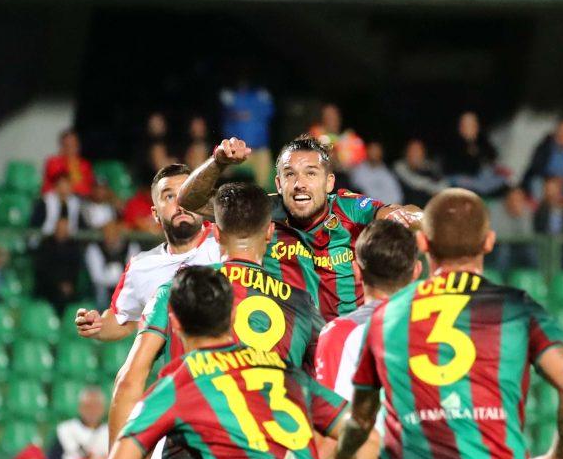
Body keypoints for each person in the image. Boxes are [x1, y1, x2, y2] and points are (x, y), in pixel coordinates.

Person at [325, 188, 563, 459]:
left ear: (423, 244)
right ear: (489, 242)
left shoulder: (386, 319)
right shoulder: (516, 308)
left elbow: (361, 426)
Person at [114, 182, 327, 459]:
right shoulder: (302, 306)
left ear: (215, 233)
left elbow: (130, 379)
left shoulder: (178, 290)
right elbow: (321, 390)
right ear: (270, 232)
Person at [72, 266, 353, 459]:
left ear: (175, 324)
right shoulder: (285, 373)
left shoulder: (178, 385)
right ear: (232, 316)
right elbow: (361, 433)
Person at [178, 135, 421, 321]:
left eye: (310, 174)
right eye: (290, 174)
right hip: (289, 347)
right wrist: (218, 161)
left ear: (329, 183)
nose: (299, 184)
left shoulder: (351, 209)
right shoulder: (262, 210)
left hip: (349, 340)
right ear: (278, 183)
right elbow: (190, 201)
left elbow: (402, 213)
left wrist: (403, 216)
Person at [315, 220, 421, 459]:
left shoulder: (339, 334)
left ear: (356, 270)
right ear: (416, 272)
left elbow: (331, 427)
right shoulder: (441, 332)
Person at [74, 164, 221, 343]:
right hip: (179, 368)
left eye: (187, 193)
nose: (180, 204)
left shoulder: (229, 241)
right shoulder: (142, 266)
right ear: (155, 213)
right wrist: (98, 326)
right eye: (169, 196)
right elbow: (122, 321)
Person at [46, 387, 109, 459]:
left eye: (96, 406)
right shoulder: (66, 431)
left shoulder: (110, 432)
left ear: (103, 409)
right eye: (88, 406)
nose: (92, 410)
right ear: (80, 407)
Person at [219, 77, 274, 188]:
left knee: (263, 187)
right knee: (225, 186)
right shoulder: (227, 95)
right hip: (234, 150)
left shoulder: (262, 94)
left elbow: (270, 112)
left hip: (260, 149)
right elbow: (224, 112)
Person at [445, 111, 509, 197]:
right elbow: (453, 170)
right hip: (461, 182)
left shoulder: (483, 143)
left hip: (484, 182)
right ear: (460, 127)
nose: (470, 128)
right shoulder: (452, 145)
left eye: (473, 124)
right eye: (466, 125)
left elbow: (492, 158)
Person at [84, 221, 139, 310]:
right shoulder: (94, 249)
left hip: (124, 286)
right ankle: (103, 314)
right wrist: (114, 279)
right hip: (104, 286)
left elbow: (133, 271)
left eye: (114, 233)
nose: (111, 237)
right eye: (108, 233)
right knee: (100, 290)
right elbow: (97, 276)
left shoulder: (131, 247)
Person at [34, 217, 82, 314]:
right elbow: (43, 269)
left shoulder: (73, 246)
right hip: (48, 286)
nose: (62, 232)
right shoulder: (46, 245)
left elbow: (75, 268)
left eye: (65, 229)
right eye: (60, 229)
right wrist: (59, 284)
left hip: (70, 285)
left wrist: (69, 283)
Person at [489, 185, 539, 270]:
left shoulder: (526, 211)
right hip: (498, 246)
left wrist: (519, 217)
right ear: (507, 199)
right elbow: (495, 234)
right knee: (504, 250)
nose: (516, 202)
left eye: (519, 200)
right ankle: (501, 279)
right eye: (513, 199)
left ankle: (536, 276)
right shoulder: (495, 209)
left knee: (531, 250)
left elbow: (527, 235)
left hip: (518, 246)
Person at [392, 138, 448, 208]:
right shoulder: (399, 167)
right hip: (406, 211)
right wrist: (434, 189)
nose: (415, 153)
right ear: (406, 152)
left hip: (430, 210)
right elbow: (415, 182)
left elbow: (444, 185)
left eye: (419, 150)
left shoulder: (430, 167)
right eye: (412, 150)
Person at [309, 103, 366, 170]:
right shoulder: (315, 134)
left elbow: (358, 164)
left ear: (339, 118)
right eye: (327, 116)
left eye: (334, 115)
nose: (331, 119)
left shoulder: (352, 139)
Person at [43, 130, 95, 197]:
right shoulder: (53, 162)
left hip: (84, 200)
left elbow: (90, 186)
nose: (71, 148)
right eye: (67, 145)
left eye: (74, 144)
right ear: (61, 146)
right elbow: (61, 184)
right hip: (59, 199)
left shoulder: (85, 164)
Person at [350, 141, 403, 206]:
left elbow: (397, 198)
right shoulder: (357, 169)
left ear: (381, 153)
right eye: (372, 149)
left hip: (383, 210)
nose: (374, 153)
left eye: (377, 150)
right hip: (360, 209)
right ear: (367, 150)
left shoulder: (388, 173)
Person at [32, 171, 84, 236]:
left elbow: (81, 225)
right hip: (47, 238)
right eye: (63, 184)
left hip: (70, 239)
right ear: (56, 186)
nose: (66, 187)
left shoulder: (75, 203)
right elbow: (35, 224)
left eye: (68, 184)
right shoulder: (45, 201)